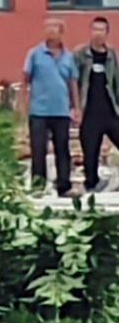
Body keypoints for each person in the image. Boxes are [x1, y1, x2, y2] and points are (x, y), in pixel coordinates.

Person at [19, 16, 78, 200]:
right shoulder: (34, 54)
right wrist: (22, 104)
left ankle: (64, 186)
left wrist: (76, 107)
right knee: (38, 150)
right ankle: (38, 185)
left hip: (61, 111)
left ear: (62, 32)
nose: (50, 30)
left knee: (62, 149)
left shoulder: (68, 57)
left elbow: (72, 83)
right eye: (47, 27)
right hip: (39, 111)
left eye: (54, 27)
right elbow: (25, 81)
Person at [76, 16, 119, 198]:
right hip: (89, 111)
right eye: (95, 29)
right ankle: (91, 186)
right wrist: (75, 106)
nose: (97, 34)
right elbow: (73, 81)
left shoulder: (110, 56)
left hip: (109, 111)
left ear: (107, 33)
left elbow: (115, 81)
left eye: (101, 30)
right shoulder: (80, 54)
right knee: (90, 151)